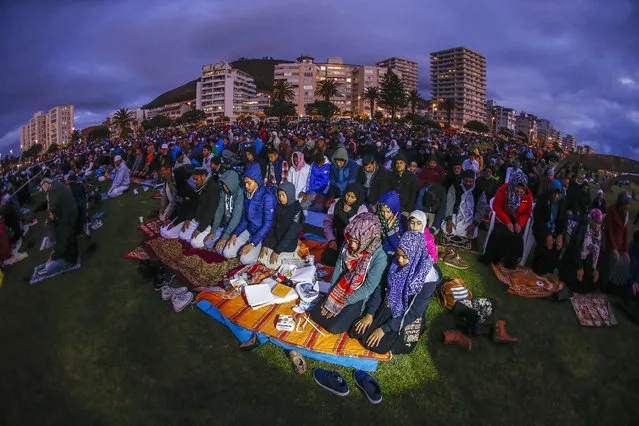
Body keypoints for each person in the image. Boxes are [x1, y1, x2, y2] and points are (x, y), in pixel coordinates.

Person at [350, 232, 442, 354]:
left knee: (373, 344)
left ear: (416, 255)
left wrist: (384, 329)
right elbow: (381, 288)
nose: (399, 260)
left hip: (404, 316)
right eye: (398, 255)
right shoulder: (394, 263)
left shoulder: (426, 279)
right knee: (356, 332)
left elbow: (413, 311)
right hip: (389, 305)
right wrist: (370, 314)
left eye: (404, 257)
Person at [310, 212, 388, 334]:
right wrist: (331, 294)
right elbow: (339, 267)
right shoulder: (348, 245)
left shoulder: (380, 257)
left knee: (333, 327)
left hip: (358, 295)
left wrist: (342, 303)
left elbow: (368, 288)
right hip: (341, 287)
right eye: (350, 240)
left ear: (368, 238)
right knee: (316, 314)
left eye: (356, 241)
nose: (351, 244)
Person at [223, 163, 276, 265]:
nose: (246, 186)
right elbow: (244, 220)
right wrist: (235, 234)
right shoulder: (247, 194)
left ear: (256, 181)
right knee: (227, 252)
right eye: (245, 183)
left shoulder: (267, 197)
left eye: (249, 183)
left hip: (262, 236)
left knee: (245, 259)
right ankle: (245, 247)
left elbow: (267, 224)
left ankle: (260, 251)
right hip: (250, 231)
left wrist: (252, 244)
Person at [480, 170, 533, 269]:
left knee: (517, 237)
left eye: (522, 188)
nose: (519, 190)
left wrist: (520, 223)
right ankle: (491, 258)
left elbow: (527, 212)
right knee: (501, 232)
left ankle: (510, 263)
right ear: (513, 184)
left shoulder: (527, 195)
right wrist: (508, 222)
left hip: (517, 219)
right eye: (518, 187)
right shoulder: (504, 189)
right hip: (502, 217)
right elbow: (497, 207)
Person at [259, 182, 305, 270]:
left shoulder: (297, 210)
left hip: (287, 246)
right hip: (275, 243)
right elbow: (272, 227)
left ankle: (292, 258)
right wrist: (265, 245)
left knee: (273, 264)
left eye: (283, 195)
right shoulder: (279, 207)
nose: (280, 198)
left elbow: (291, 233)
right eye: (279, 195)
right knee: (261, 257)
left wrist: (277, 251)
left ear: (290, 194)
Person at [37, 178, 79, 276]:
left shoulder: (61, 227)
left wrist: (53, 257)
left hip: (69, 259)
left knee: (48, 267)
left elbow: (61, 249)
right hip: (70, 249)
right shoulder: (64, 222)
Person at [322, 183, 369, 265]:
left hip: (353, 242)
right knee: (327, 259)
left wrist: (350, 214)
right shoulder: (336, 204)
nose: (349, 199)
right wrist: (331, 239)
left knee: (346, 263)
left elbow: (359, 229)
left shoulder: (362, 210)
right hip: (337, 238)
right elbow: (327, 223)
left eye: (352, 197)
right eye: (348, 195)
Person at [559, 209, 603, 293]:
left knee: (592, 282)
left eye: (599, 223)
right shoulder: (582, 228)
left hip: (587, 262)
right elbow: (575, 248)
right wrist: (579, 267)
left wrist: (597, 268)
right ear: (591, 220)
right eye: (596, 222)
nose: (597, 226)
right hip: (575, 259)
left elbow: (599, 252)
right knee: (575, 280)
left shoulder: (600, 234)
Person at [441, 169, 487, 248]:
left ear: (474, 180)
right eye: (466, 181)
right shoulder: (455, 186)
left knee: (473, 234)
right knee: (446, 230)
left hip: (471, 217)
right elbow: (449, 204)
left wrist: (474, 224)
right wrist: (449, 220)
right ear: (463, 179)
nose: (468, 184)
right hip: (455, 214)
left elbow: (481, 209)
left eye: (471, 181)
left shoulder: (479, 190)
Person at [532, 180, 567, 275]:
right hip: (542, 229)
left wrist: (561, 234)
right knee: (545, 242)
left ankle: (550, 269)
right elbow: (539, 220)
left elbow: (564, 220)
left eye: (558, 194)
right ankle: (538, 269)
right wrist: (547, 234)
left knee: (560, 244)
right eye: (554, 193)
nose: (556, 196)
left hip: (555, 229)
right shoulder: (543, 199)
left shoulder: (562, 202)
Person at [203, 170, 244, 252]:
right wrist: (213, 230)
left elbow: (236, 217)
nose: (224, 186)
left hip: (236, 228)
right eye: (223, 184)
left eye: (226, 184)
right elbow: (219, 211)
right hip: (226, 225)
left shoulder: (239, 194)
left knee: (220, 250)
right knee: (207, 243)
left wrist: (225, 236)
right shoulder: (224, 192)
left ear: (232, 183)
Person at [181, 168, 221, 248]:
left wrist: (200, 229)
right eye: (194, 179)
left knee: (195, 243)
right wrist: (188, 218)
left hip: (208, 222)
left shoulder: (214, 187)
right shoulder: (200, 185)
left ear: (203, 176)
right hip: (198, 219)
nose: (195, 182)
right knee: (182, 235)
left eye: (196, 179)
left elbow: (211, 211)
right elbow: (194, 204)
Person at [602, 192, 631, 291]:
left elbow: (626, 233)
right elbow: (609, 230)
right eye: (625, 207)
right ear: (621, 204)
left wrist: (625, 250)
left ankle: (618, 285)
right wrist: (613, 248)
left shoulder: (626, 214)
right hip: (609, 243)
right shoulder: (612, 210)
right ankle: (606, 284)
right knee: (615, 259)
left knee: (626, 261)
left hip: (620, 245)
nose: (627, 209)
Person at [160, 167, 199, 239]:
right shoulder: (179, 188)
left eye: (175, 176)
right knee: (163, 230)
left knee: (168, 233)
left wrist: (174, 223)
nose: (173, 178)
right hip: (180, 216)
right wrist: (169, 219)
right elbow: (178, 206)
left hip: (187, 218)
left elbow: (187, 211)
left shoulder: (188, 190)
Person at [376, 191, 404, 257]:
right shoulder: (378, 219)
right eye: (383, 211)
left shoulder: (402, 222)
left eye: (388, 212)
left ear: (395, 209)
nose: (385, 215)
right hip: (382, 253)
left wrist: (390, 230)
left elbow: (399, 247)